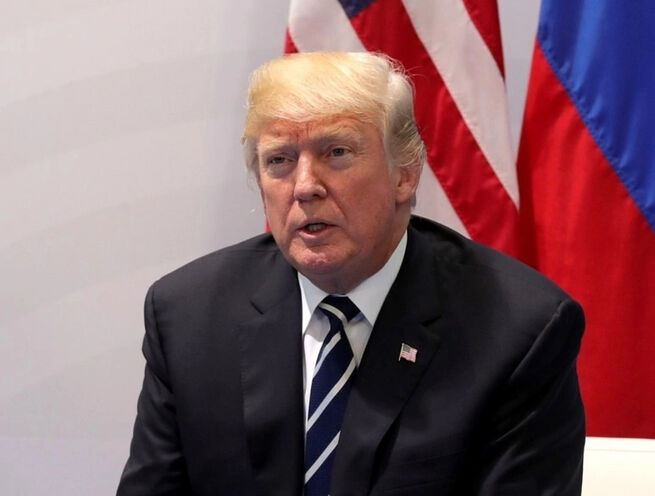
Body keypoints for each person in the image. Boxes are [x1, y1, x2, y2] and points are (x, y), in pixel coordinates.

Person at [117, 52, 585, 495]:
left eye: (336, 152)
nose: (304, 187)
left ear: (405, 173)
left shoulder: (518, 331)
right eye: (279, 160)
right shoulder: (189, 316)